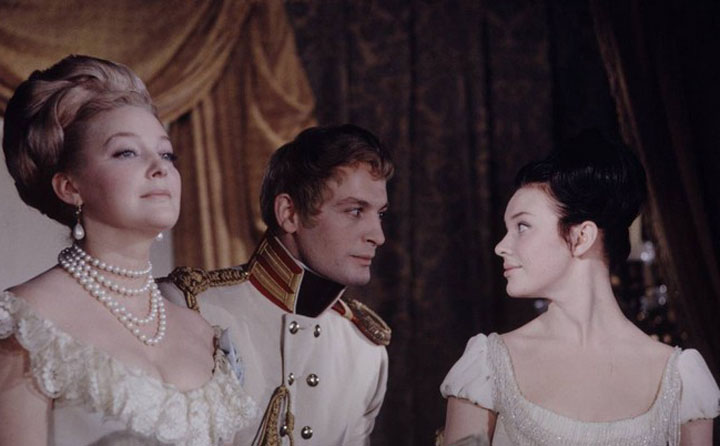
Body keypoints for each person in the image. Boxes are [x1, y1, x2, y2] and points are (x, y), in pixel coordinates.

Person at [0, 55, 256, 446]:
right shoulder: (29, 324)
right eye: (126, 152)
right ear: (70, 187)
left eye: (167, 154)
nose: (160, 168)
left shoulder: (202, 331)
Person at [440, 130, 720, 445]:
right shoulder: (486, 368)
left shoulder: (680, 380)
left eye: (522, 226)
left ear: (581, 237)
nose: (501, 246)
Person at [159, 124, 394, 445]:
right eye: (355, 211)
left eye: (380, 214)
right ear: (289, 213)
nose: (378, 236)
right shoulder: (187, 306)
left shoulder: (365, 350)